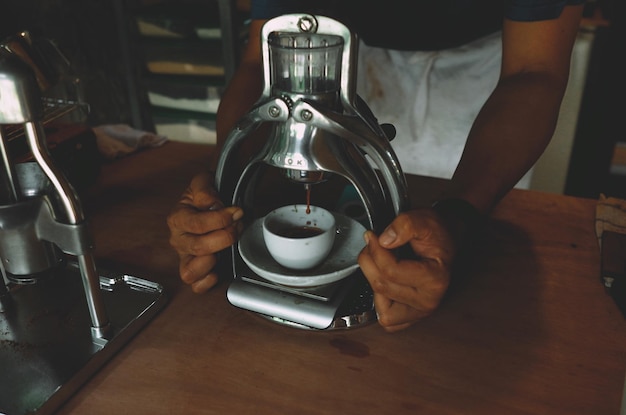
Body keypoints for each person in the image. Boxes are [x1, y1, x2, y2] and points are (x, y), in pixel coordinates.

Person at [167, 0, 585, 332]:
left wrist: (460, 218)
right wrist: (221, 193)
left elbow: (535, 69)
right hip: (349, 61)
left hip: (488, 72)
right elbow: (262, 61)